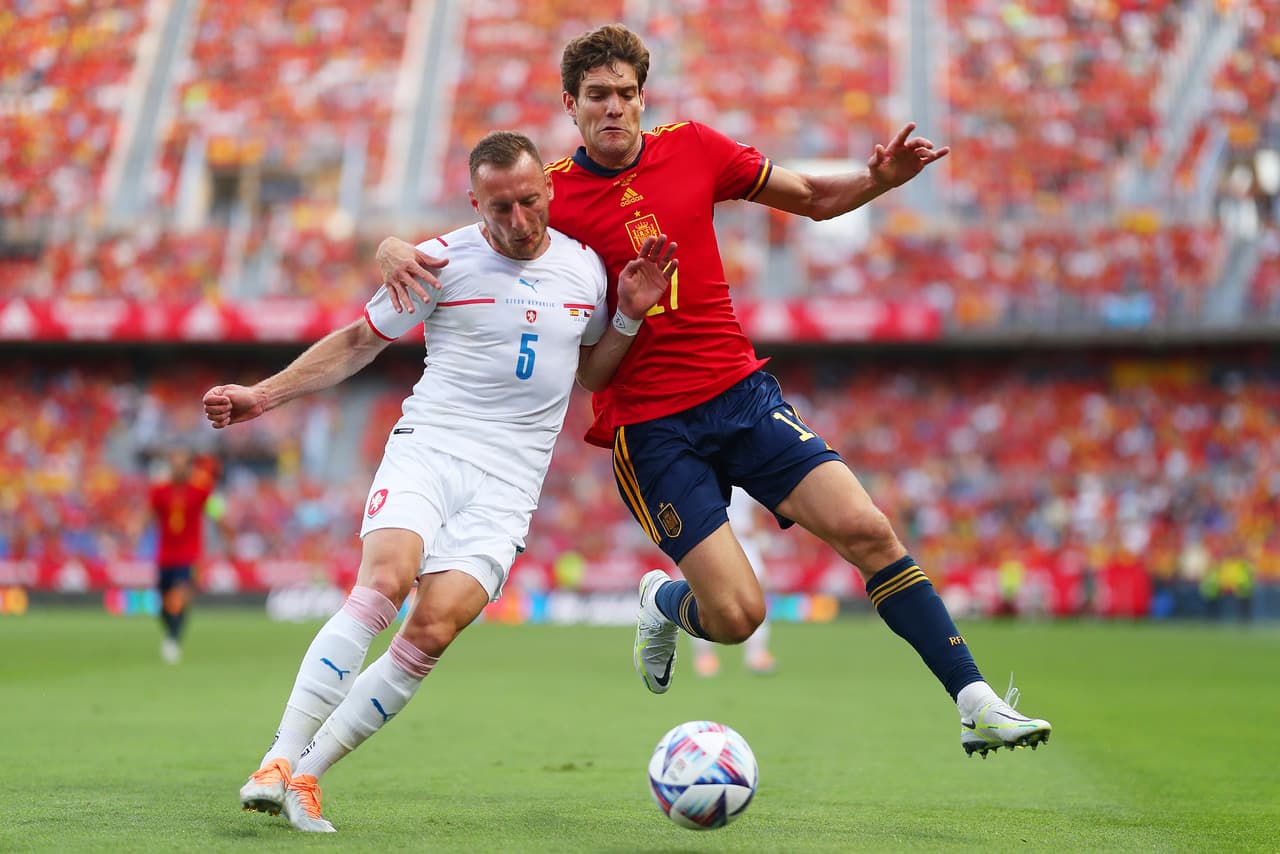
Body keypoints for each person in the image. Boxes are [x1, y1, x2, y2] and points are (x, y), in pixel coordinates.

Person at [375, 24, 1050, 759]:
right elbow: (467, 241)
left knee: (868, 531)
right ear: (571, 105)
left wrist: (879, 179)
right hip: (652, 429)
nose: (613, 109)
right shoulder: (551, 200)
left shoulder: (693, 146)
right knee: (737, 618)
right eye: (596, 96)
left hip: (741, 395)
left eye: (625, 94)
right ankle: (663, 600)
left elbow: (814, 198)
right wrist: (390, 247)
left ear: (643, 97)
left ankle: (973, 700)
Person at [205, 130, 676, 833]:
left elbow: (592, 372)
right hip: (432, 448)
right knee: (385, 582)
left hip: (510, 484)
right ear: (473, 203)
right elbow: (360, 340)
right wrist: (264, 396)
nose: (516, 222)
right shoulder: (441, 260)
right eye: (498, 209)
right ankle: (275, 758)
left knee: (430, 631)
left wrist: (632, 317)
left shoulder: (586, 270)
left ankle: (308, 776)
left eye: (526, 202)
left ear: (546, 190)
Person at [147, 447, 226, 664]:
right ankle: (170, 631)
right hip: (165, 555)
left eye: (183, 465)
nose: (179, 469)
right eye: (175, 464)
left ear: (188, 467)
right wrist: (135, 531)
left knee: (180, 596)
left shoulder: (200, 489)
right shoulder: (159, 491)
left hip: (190, 555)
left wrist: (225, 531)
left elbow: (215, 511)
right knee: (164, 602)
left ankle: (173, 639)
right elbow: (149, 514)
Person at [691, 486, 775, 677]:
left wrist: (761, 537)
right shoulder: (704, 474)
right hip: (712, 540)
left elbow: (756, 510)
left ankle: (756, 654)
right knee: (704, 595)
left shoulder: (743, 470)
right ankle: (704, 656)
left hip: (746, 543)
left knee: (759, 593)